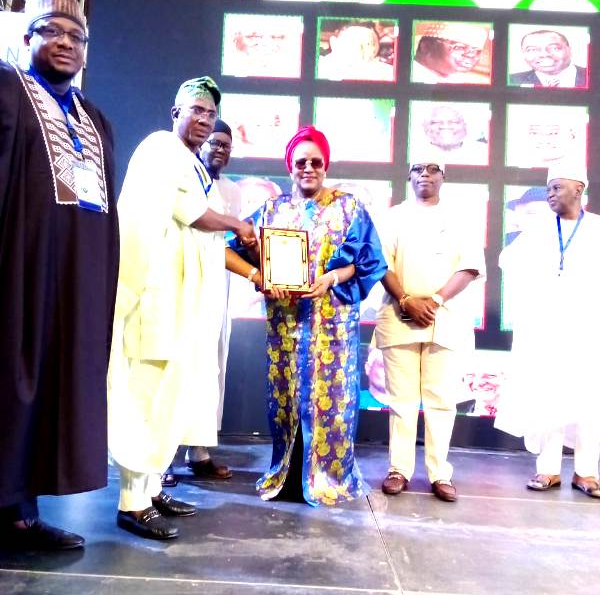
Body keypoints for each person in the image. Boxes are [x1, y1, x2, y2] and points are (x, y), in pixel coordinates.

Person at [108, 78, 256, 540]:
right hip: (154, 301)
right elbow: (191, 214)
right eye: (196, 111)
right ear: (175, 112)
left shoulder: (192, 165)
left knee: (168, 402)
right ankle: (131, 502)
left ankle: (151, 489)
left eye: (211, 114)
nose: (204, 120)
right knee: (145, 400)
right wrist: (236, 223)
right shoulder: (159, 149)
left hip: (183, 308)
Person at [0, 0, 119, 551]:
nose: (66, 42)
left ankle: (20, 512)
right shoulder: (7, 91)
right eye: (52, 30)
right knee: (10, 379)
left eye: (76, 36)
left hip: (77, 279)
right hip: (17, 270)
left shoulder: (93, 118)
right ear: (27, 38)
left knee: (52, 385)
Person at [230, 126, 387, 506]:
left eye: (316, 162)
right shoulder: (272, 210)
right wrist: (258, 276)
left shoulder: (349, 207)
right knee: (286, 399)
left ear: (326, 165)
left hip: (333, 326)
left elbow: (367, 262)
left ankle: (330, 478)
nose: (309, 168)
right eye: (301, 162)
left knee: (332, 402)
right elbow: (231, 247)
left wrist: (332, 277)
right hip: (285, 325)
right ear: (290, 167)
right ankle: (286, 474)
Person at [375, 152, 485, 502]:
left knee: (441, 400)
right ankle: (399, 470)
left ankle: (439, 474)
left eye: (433, 169)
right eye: (418, 169)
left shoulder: (460, 218)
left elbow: (469, 267)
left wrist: (434, 301)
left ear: (443, 176)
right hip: (399, 315)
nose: (425, 174)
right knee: (402, 401)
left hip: (445, 317)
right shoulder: (393, 217)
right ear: (409, 176)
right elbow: (380, 264)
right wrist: (407, 300)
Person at [495, 162, 600, 498]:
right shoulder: (538, 230)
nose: (550, 194)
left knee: (588, 400)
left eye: (556, 188)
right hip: (546, 330)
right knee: (548, 396)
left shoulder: (597, 229)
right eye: (549, 188)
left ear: (579, 189)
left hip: (588, 330)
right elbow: (506, 261)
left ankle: (586, 472)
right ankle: (548, 469)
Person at [184, 118, 242, 481]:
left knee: (212, 369)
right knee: (180, 369)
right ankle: (162, 461)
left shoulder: (233, 191)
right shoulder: (186, 177)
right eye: (214, 142)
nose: (219, 149)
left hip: (218, 291)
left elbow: (230, 246)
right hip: (185, 286)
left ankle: (199, 451)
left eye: (226, 145)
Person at [412, 22, 490, 85]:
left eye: (476, 51)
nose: (470, 55)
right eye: (459, 47)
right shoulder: (411, 77)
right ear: (426, 46)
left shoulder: (460, 79)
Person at [509, 29, 587, 88]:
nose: (544, 54)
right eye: (532, 49)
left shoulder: (591, 76)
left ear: (569, 50)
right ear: (523, 53)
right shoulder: (512, 80)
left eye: (554, 48)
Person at [318, 21, 394, 81]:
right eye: (352, 42)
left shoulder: (385, 72)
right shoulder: (320, 66)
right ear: (334, 42)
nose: (368, 50)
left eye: (370, 44)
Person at [420, 104, 489, 166]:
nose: (445, 126)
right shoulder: (417, 154)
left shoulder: (484, 152)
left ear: (465, 126)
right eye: (436, 122)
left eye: (454, 122)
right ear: (425, 127)